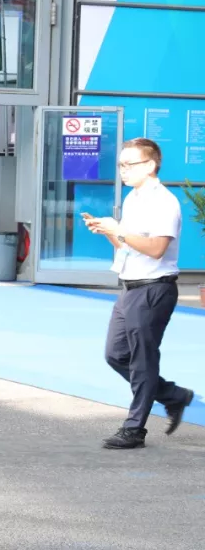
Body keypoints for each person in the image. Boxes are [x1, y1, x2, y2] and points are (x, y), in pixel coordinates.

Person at [85, 137, 195, 449]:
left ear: (150, 165)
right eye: (121, 164)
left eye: (129, 164)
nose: (123, 170)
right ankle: (173, 395)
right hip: (131, 286)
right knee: (116, 354)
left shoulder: (164, 202)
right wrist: (108, 232)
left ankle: (134, 429)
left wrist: (118, 229)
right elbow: (128, 247)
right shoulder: (133, 198)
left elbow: (157, 248)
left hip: (153, 288)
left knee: (143, 360)